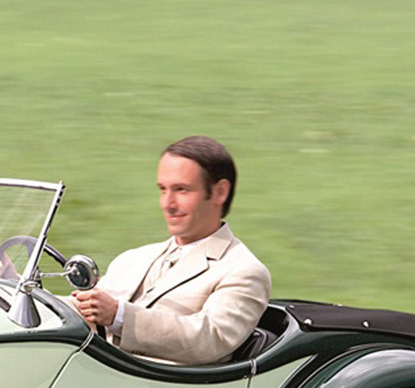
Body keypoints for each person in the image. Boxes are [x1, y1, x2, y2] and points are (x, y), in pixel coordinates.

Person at [70, 136, 271, 365]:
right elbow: (85, 310)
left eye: (181, 190)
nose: (167, 203)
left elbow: (209, 339)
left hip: (160, 384)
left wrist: (120, 315)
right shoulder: (132, 259)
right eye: (163, 190)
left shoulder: (245, 271)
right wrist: (37, 301)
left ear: (219, 192)